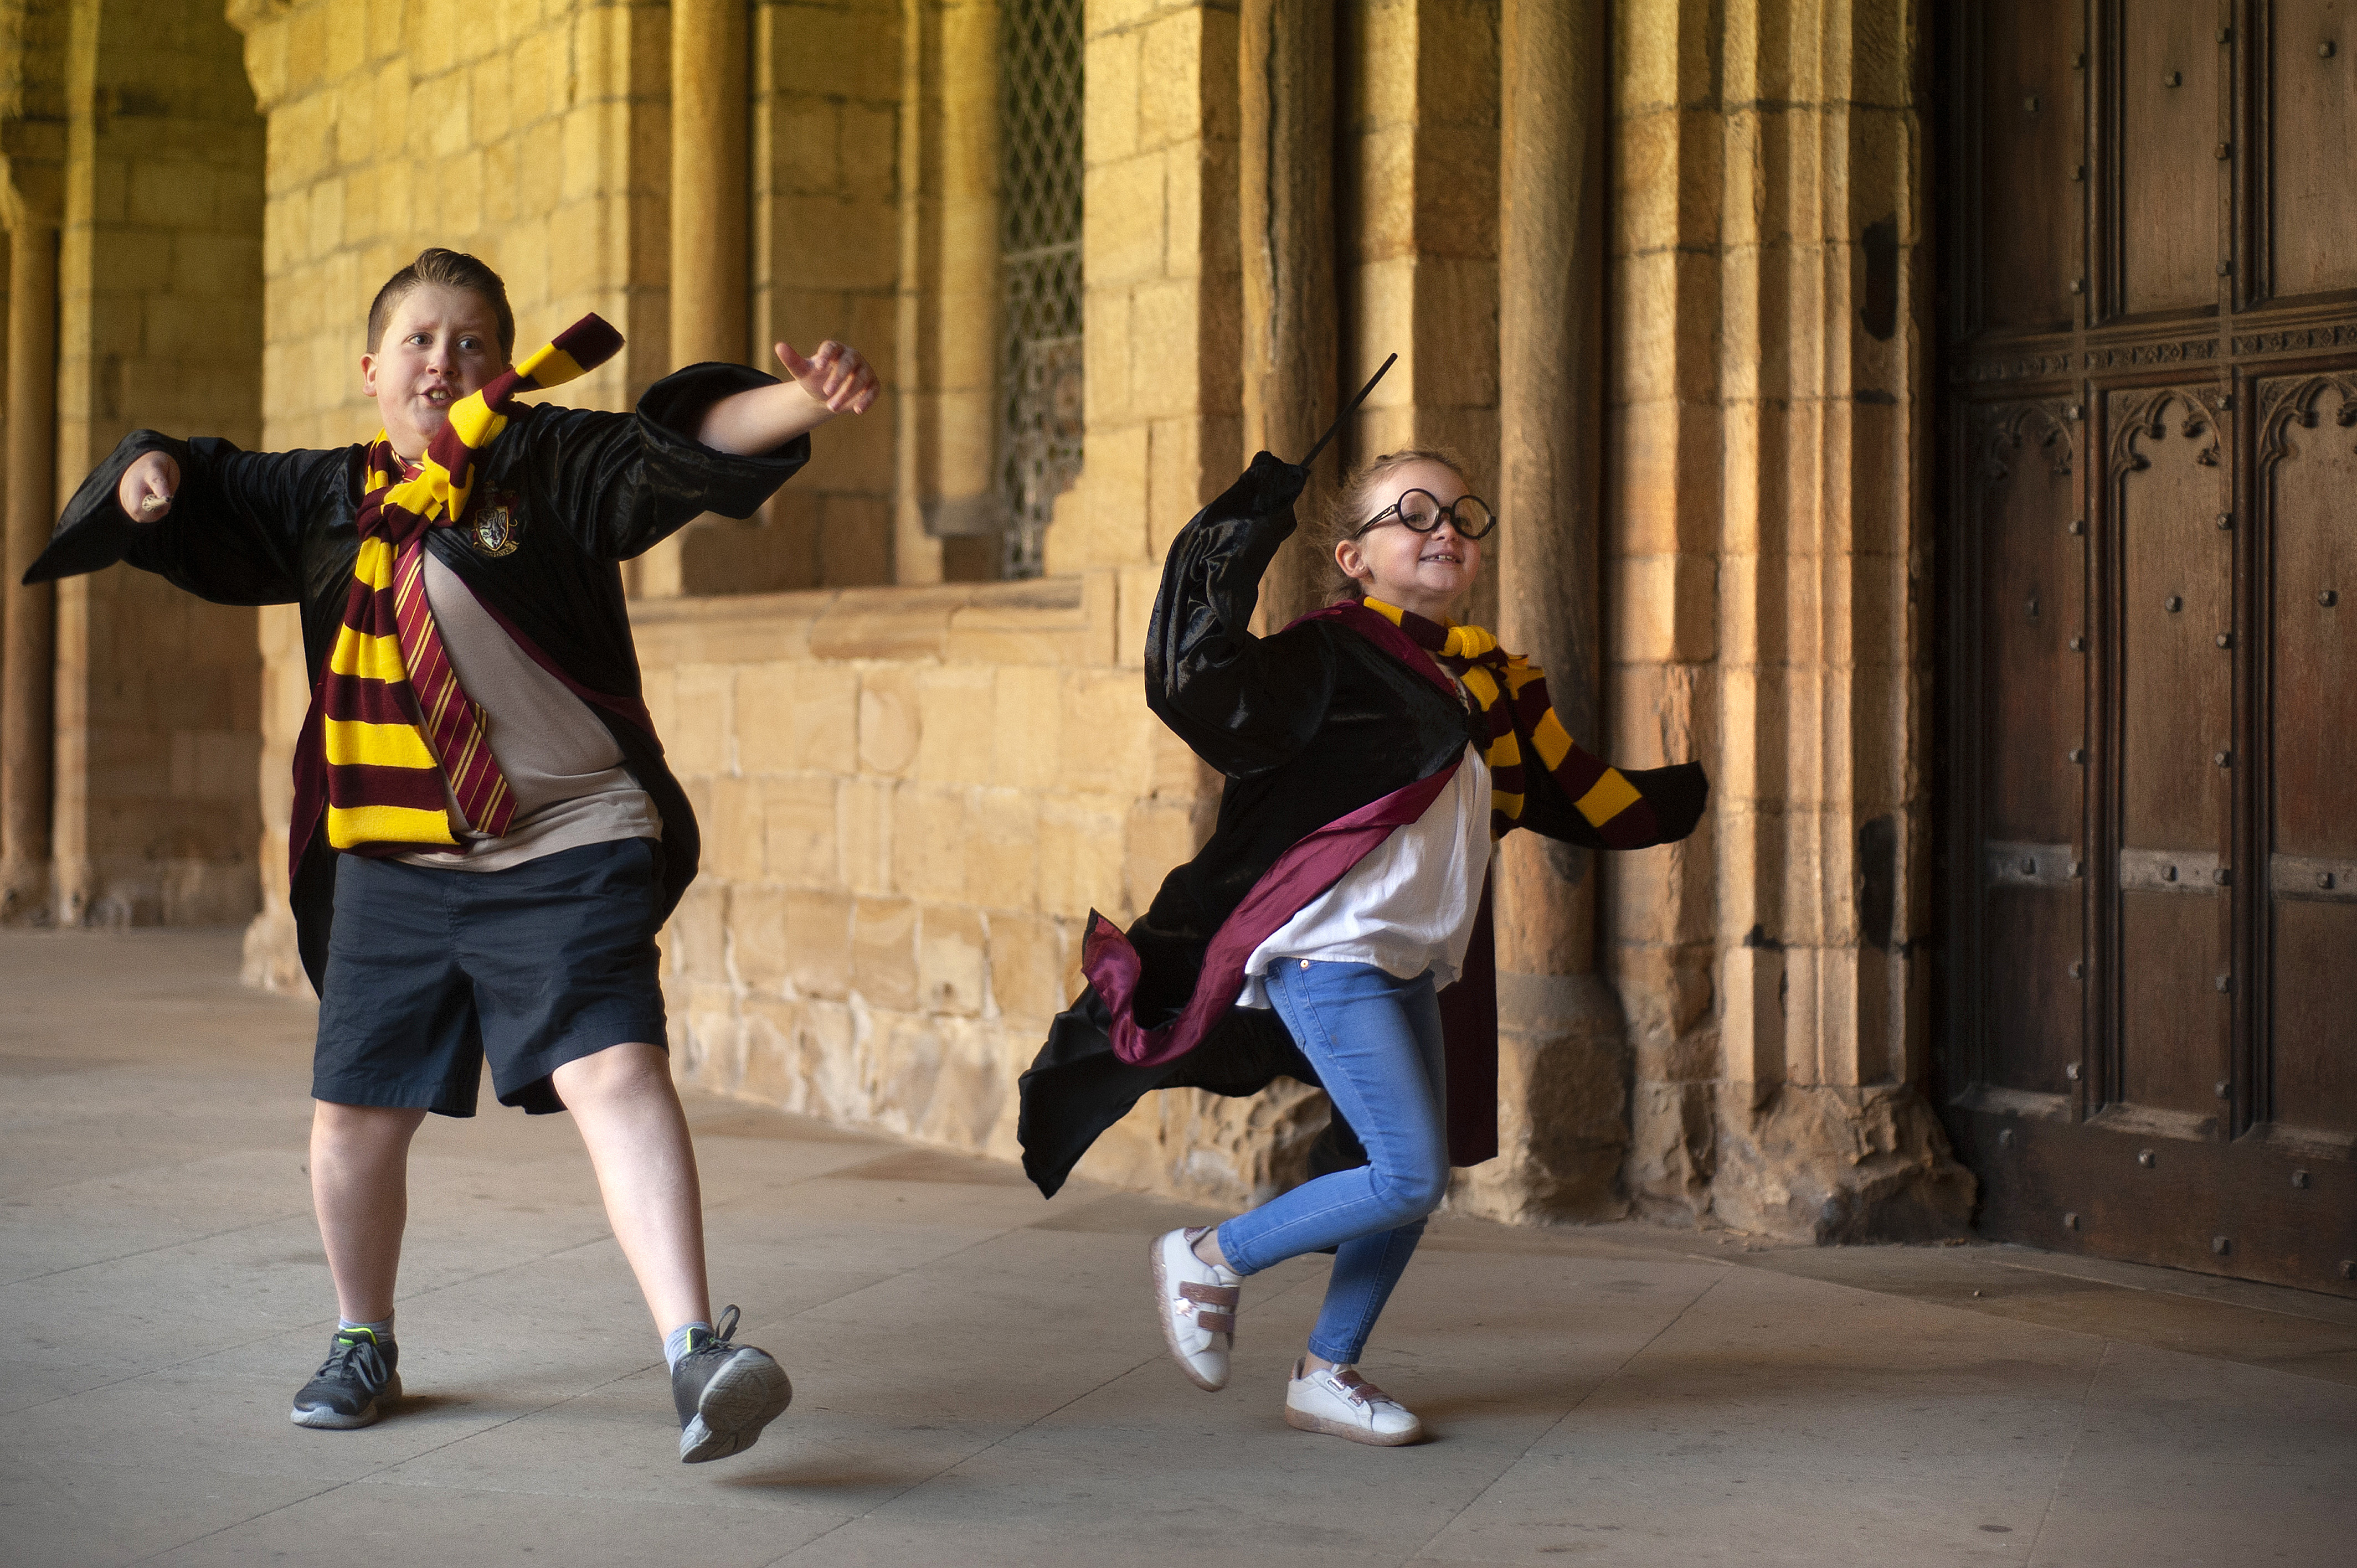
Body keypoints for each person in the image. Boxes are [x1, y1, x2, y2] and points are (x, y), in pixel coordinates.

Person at [24, 247, 877, 1463]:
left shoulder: (547, 462)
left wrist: (800, 401)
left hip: (569, 835)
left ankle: (695, 1352)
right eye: (420, 341)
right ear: (373, 369)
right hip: (395, 854)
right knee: (354, 1118)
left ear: (505, 370)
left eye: (473, 342)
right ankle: (361, 1339)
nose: (444, 361)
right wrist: (146, 478)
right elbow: (201, 479)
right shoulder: (326, 495)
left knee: (617, 1072)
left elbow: (670, 447)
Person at [1016, 443, 1706, 1446]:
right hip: (1328, 954)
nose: (1444, 531)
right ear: (1353, 558)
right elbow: (1195, 676)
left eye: (1461, 517)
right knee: (1407, 1173)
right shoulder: (1327, 655)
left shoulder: (1481, 680)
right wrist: (1250, 517)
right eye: (1413, 514)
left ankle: (1326, 1371)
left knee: (1411, 1181)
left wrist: (1685, 797)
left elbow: (1567, 789)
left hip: (1409, 962)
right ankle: (1208, 1257)